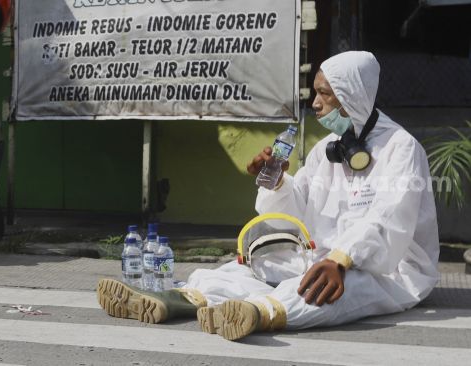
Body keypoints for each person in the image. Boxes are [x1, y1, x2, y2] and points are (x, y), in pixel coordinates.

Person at [96, 51, 440, 341]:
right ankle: (178, 300)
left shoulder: (401, 148)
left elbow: (390, 217)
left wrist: (342, 259)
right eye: (315, 94)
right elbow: (298, 209)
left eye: (326, 95)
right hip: (321, 258)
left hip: (386, 270)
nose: (316, 104)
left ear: (353, 96)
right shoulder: (327, 150)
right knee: (253, 269)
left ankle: (259, 313)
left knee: (338, 288)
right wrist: (277, 183)